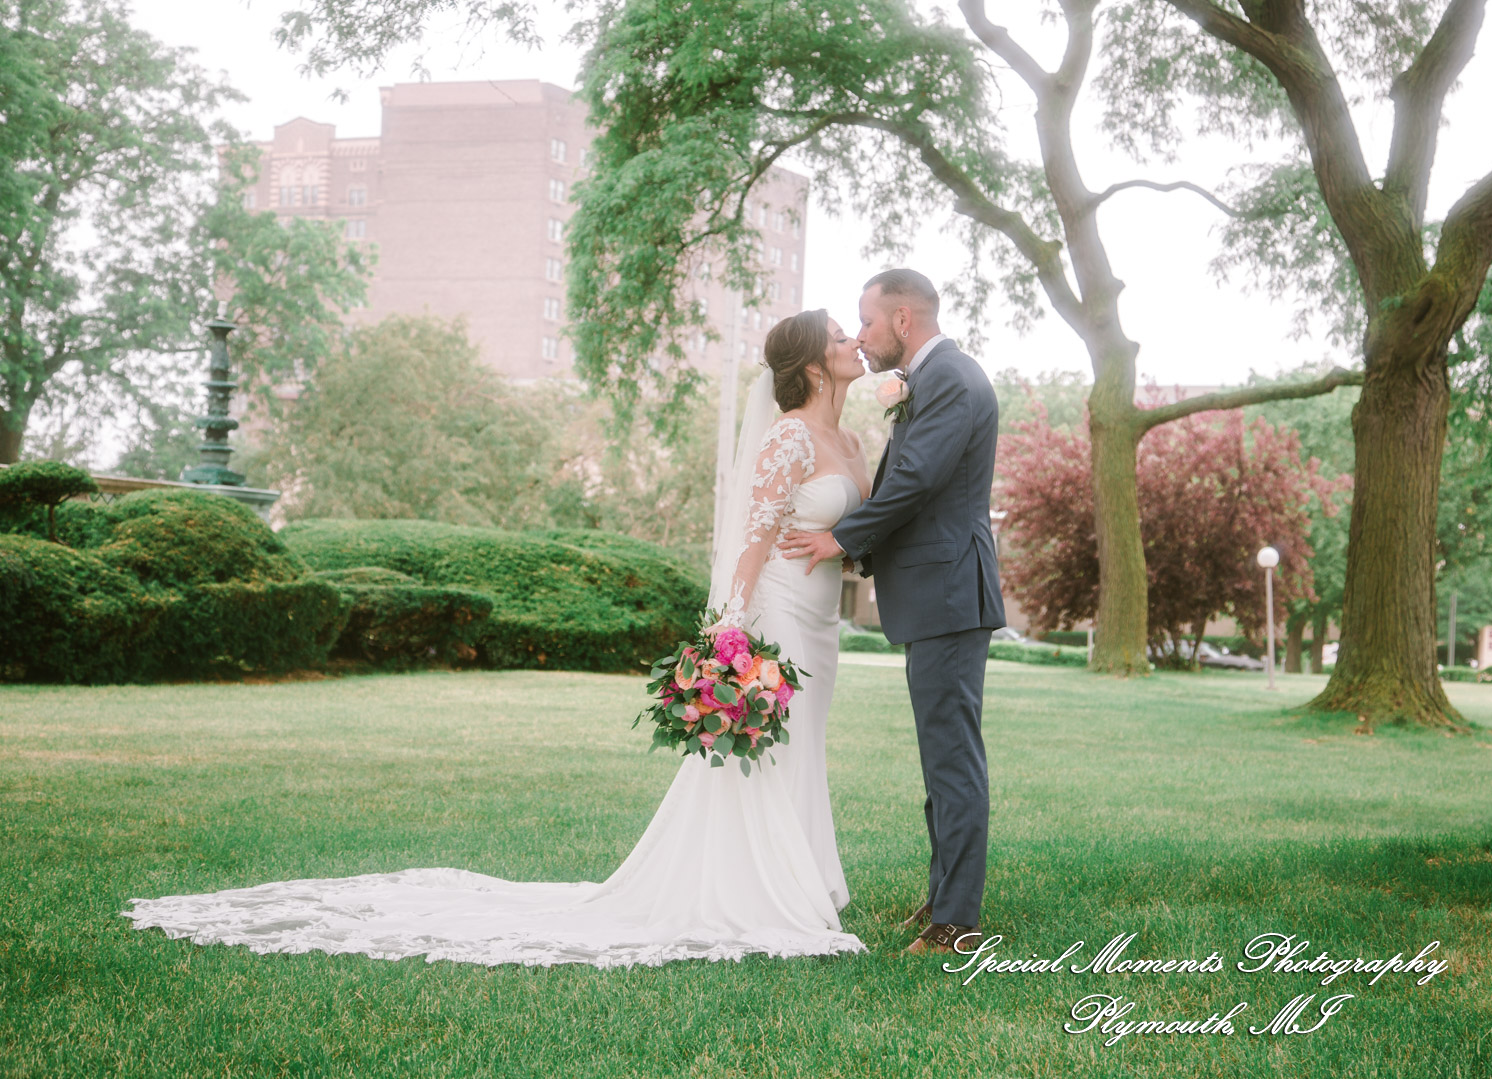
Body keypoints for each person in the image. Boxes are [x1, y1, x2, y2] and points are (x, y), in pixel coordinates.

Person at [122, 310, 871, 970]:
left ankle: (803, 873)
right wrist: (730, 632)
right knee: (769, 746)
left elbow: (862, 526)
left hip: (821, 618)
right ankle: (765, 886)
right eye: (839, 335)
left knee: (804, 742)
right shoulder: (787, 437)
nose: (851, 342)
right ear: (811, 363)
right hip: (773, 612)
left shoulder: (846, 435)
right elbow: (753, 535)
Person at [781, 269, 1004, 956]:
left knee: (951, 758)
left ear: (904, 318)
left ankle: (956, 922)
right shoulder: (935, 378)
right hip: (937, 592)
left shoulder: (951, 380)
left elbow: (915, 479)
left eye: (868, 321)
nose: (862, 335)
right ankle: (943, 896)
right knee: (941, 755)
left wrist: (842, 537)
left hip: (948, 593)